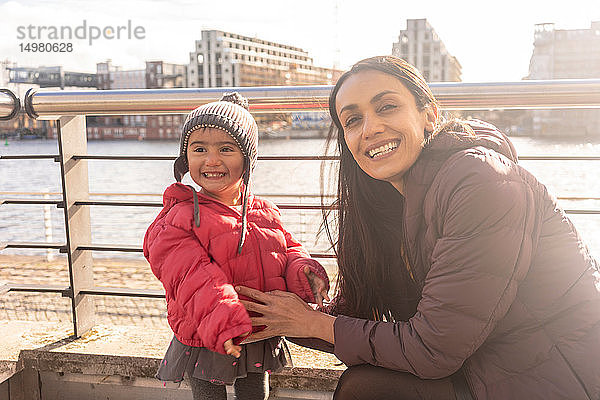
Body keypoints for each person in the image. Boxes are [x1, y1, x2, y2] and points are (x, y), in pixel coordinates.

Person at [235, 56, 600, 400]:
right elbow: (357, 320)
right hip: (489, 367)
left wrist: (311, 323)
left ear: (429, 115)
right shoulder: (394, 203)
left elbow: (432, 349)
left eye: (387, 107)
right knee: (364, 384)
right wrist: (272, 307)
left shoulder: (480, 181)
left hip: (560, 377)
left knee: (365, 388)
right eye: (353, 120)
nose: (371, 128)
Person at [143, 92, 330, 400]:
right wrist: (224, 321)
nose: (211, 160)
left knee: (256, 393)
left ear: (247, 158)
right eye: (199, 149)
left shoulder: (264, 210)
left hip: (257, 330)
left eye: (226, 149)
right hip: (206, 333)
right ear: (185, 158)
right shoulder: (179, 216)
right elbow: (193, 278)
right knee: (209, 395)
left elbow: (287, 250)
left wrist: (305, 272)